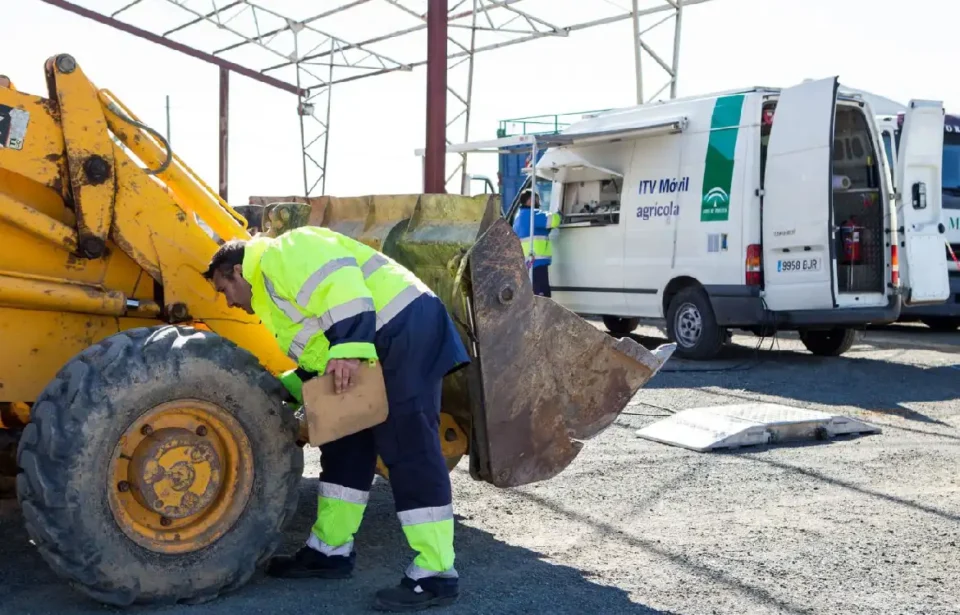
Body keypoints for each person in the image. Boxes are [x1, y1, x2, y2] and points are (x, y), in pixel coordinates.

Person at [204, 226, 470, 612]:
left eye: (222, 289)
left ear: (235, 271)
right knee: (343, 443)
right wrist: (286, 387)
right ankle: (329, 551)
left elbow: (343, 287)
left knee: (408, 444)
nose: (226, 302)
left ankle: (436, 573)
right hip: (370, 341)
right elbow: (317, 353)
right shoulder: (271, 298)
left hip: (402, 328)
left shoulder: (283, 253)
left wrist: (348, 348)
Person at [512, 189, 561, 297]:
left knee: (532, 296)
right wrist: (559, 214)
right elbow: (553, 220)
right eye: (537, 201)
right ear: (530, 201)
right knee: (542, 297)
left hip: (527, 264)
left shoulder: (519, 217)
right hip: (537, 262)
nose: (539, 203)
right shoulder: (533, 215)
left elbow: (536, 231)